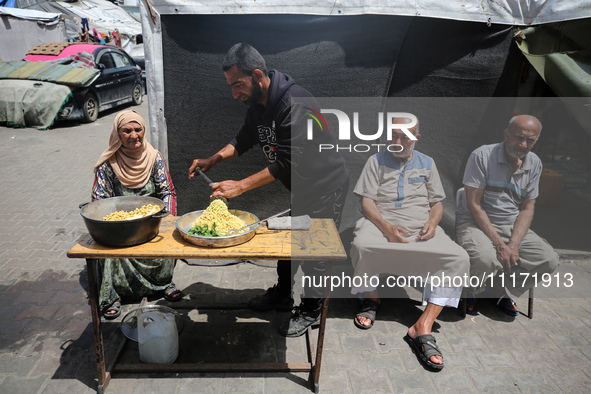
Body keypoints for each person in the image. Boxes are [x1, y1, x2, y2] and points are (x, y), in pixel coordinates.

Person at [188, 43, 349, 337]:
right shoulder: (257, 103)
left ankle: (312, 309)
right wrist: (213, 159)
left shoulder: (295, 103)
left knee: (314, 248)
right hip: (302, 185)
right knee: (290, 241)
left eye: (238, 84)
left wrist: (241, 185)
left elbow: (289, 161)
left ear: (258, 74)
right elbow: (244, 139)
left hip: (326, 185)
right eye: (230, 86)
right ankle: (282, 293)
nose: (234, 93)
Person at [350, 117, 470, 370]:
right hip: (380, 224)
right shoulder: (376, 161)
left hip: (419, 228)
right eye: (394, 136)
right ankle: (371, 299)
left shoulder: (427, 163)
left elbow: (437, 203)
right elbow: (367, 203)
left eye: (405, 137)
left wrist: (434, 223)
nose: (398, 142)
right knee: (361, 245)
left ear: (416, 137)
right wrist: (387, 228)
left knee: (459, 259)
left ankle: (422, 326)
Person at [455, 114, 559, 316]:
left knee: (548, 260)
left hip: (510, 224)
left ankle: (496, 287)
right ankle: (469, 289)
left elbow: (527, 208)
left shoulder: (535, 163)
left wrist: (514, 244)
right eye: (518, 137)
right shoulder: (482, 156)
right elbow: (473, 204)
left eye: (530, 140)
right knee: (486, 259)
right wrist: (500, 245)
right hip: (475, 223)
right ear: (506, 134)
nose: (523, 144)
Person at [92, 110, 181, 319]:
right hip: (120, 228)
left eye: (138, 129)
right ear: (117, 134)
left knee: (172, 238)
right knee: (104, 250)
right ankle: (112, 296)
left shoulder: (154, 157)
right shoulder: (108, 163)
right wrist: (115, 222)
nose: (134, 135)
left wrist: (165, 219)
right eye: (127, 131)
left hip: (151, 224)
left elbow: (167, 191)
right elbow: (99, 200)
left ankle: (163, 284)